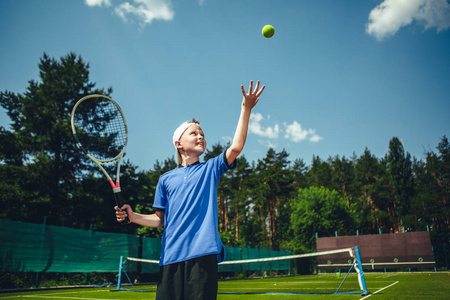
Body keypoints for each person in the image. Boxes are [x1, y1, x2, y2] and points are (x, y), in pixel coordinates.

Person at [115, 80, 265, 300]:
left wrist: (246, 108)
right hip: (170, 258)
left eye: (202, 134)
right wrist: (133, 216)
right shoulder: (165, 179)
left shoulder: (210, 169)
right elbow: (161, 220)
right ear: (178, 143)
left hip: (202, 258)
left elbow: (236, 147)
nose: (200, 136)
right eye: (194, 133)